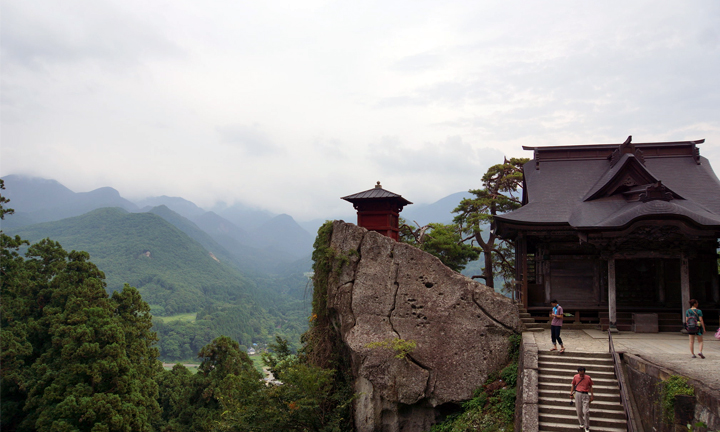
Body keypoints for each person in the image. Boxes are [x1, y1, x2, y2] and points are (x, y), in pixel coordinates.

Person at [570, 366, 594, 432]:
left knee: (586, 411)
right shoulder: (575, 377)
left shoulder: (588, 378)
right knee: (579, 410)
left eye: (582, 374)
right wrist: (571, 393)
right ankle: (581, 423)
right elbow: (573, 385)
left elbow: (591, 386)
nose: (581, 375)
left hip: (585, 394)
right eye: (580, 374)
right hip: (577, 393)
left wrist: (592, 395)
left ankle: (587, 426)